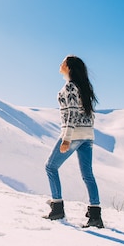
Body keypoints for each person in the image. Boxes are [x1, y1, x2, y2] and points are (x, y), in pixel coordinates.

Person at [44, 55, 104, 228]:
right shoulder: (84, 86)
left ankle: (57, 208)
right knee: (88, 174)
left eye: (63, 62)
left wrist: (66, 138)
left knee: (50, 166)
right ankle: (95, 215)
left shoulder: (70, 86)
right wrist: (87, 133)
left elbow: (71, 113)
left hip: (73, 134)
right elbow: (88, 114)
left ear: (69, 67)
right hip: (87, 135)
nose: (60, 64)